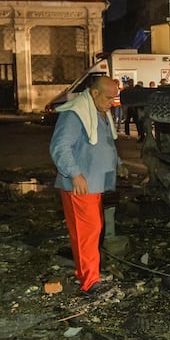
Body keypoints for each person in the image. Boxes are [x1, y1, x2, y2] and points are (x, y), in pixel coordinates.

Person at [49, 76, 121, 296]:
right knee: (87, 232)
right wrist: (75, 174)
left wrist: (118, 164)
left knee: (91, 230)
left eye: (115, 98)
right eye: (109, 97)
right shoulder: (74, 114)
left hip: (93, 183)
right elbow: (59, 147)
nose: (112, 102)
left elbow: (105, 142)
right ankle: (90, 282)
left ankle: (89, 272)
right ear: (94, 93)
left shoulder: (99, 112)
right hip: (81, 185)